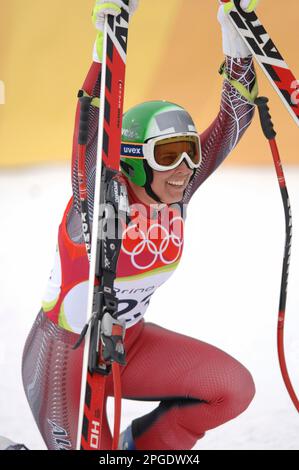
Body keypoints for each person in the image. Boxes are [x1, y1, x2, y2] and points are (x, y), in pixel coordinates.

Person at [3, 0, 260, 450]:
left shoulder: (177, 191)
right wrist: (105, 43)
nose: (184, 166)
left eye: (189, 151)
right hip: (67, 357)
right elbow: (87, 133)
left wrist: (236, 41)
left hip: (129, 346)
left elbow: (234, 121)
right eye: (167, 154)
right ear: (135, 161)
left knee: (231, 388)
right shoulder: (99, 200)